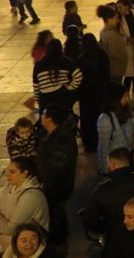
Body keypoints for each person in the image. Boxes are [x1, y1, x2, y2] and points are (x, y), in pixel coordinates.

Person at [36, 104, 78, 245]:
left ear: (49, 119)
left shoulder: (64, 139)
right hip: (45, 183)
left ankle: (58, 241)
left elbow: (58, 164)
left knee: (56, 214)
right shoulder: (43, 133)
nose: (41, 116)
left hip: (57, 186)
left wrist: (39, 171)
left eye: (43, 114)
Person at [96, 83, 134, 175]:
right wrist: (104, 170)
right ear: (115, 99)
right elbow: (103, 147)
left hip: (128, 156)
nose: (127, 99)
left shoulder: (126, 111)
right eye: (125, 96)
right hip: (117, 162)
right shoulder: (105, 119)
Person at [0, 157, 49, 252]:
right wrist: (1, 220)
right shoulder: (9, 186)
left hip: (27, 249)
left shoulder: (31, 196)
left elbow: (11, 228)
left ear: (24, 173)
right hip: (10, 246)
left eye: (12, 172)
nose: (7, 175)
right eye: (6, 171)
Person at [76, 34, 110, 152]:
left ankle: (89, 143)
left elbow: (78, 78)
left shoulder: (81, 59)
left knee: (87, 118)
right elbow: (107, 73)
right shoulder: (102, 55)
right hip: (100, 92)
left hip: (86, 95)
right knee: (99, 116)